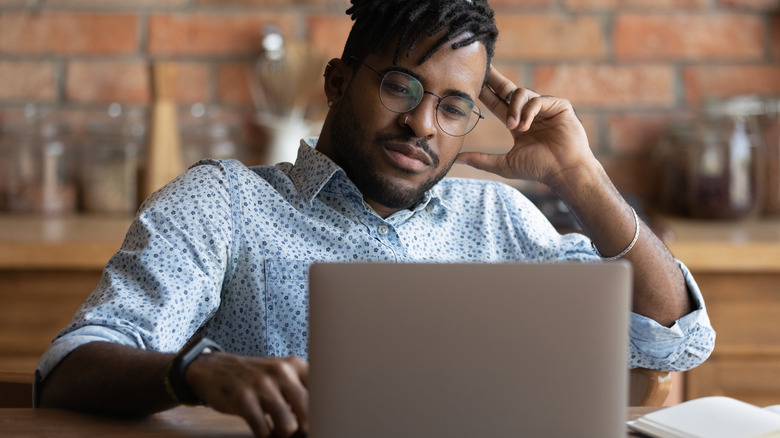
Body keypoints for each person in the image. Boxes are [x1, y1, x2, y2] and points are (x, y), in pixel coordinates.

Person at [36, 0, 715, 437]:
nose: (422, 122)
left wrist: (583, 178)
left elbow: (672, 342)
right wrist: (193, 372)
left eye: (453, 106)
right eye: (401, 85)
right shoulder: (223, 204)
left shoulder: (498, 218)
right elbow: (68, 367)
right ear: (337, 81)